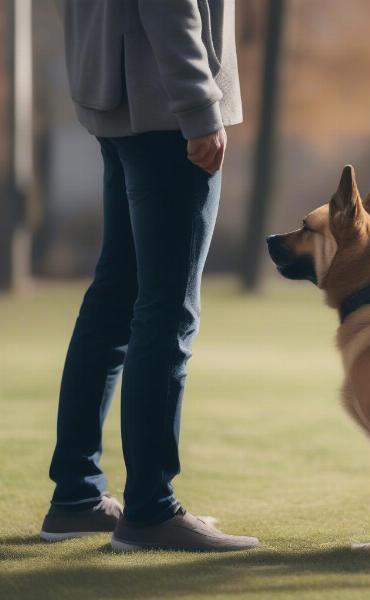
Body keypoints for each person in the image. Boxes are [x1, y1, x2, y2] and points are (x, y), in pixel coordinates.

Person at [40, 0, 259, 552]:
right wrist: (199, 106)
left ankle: (76, 497)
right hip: (166, 105)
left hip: (117, 96)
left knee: (117, 298)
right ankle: (150, 511)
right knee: (168, 309)